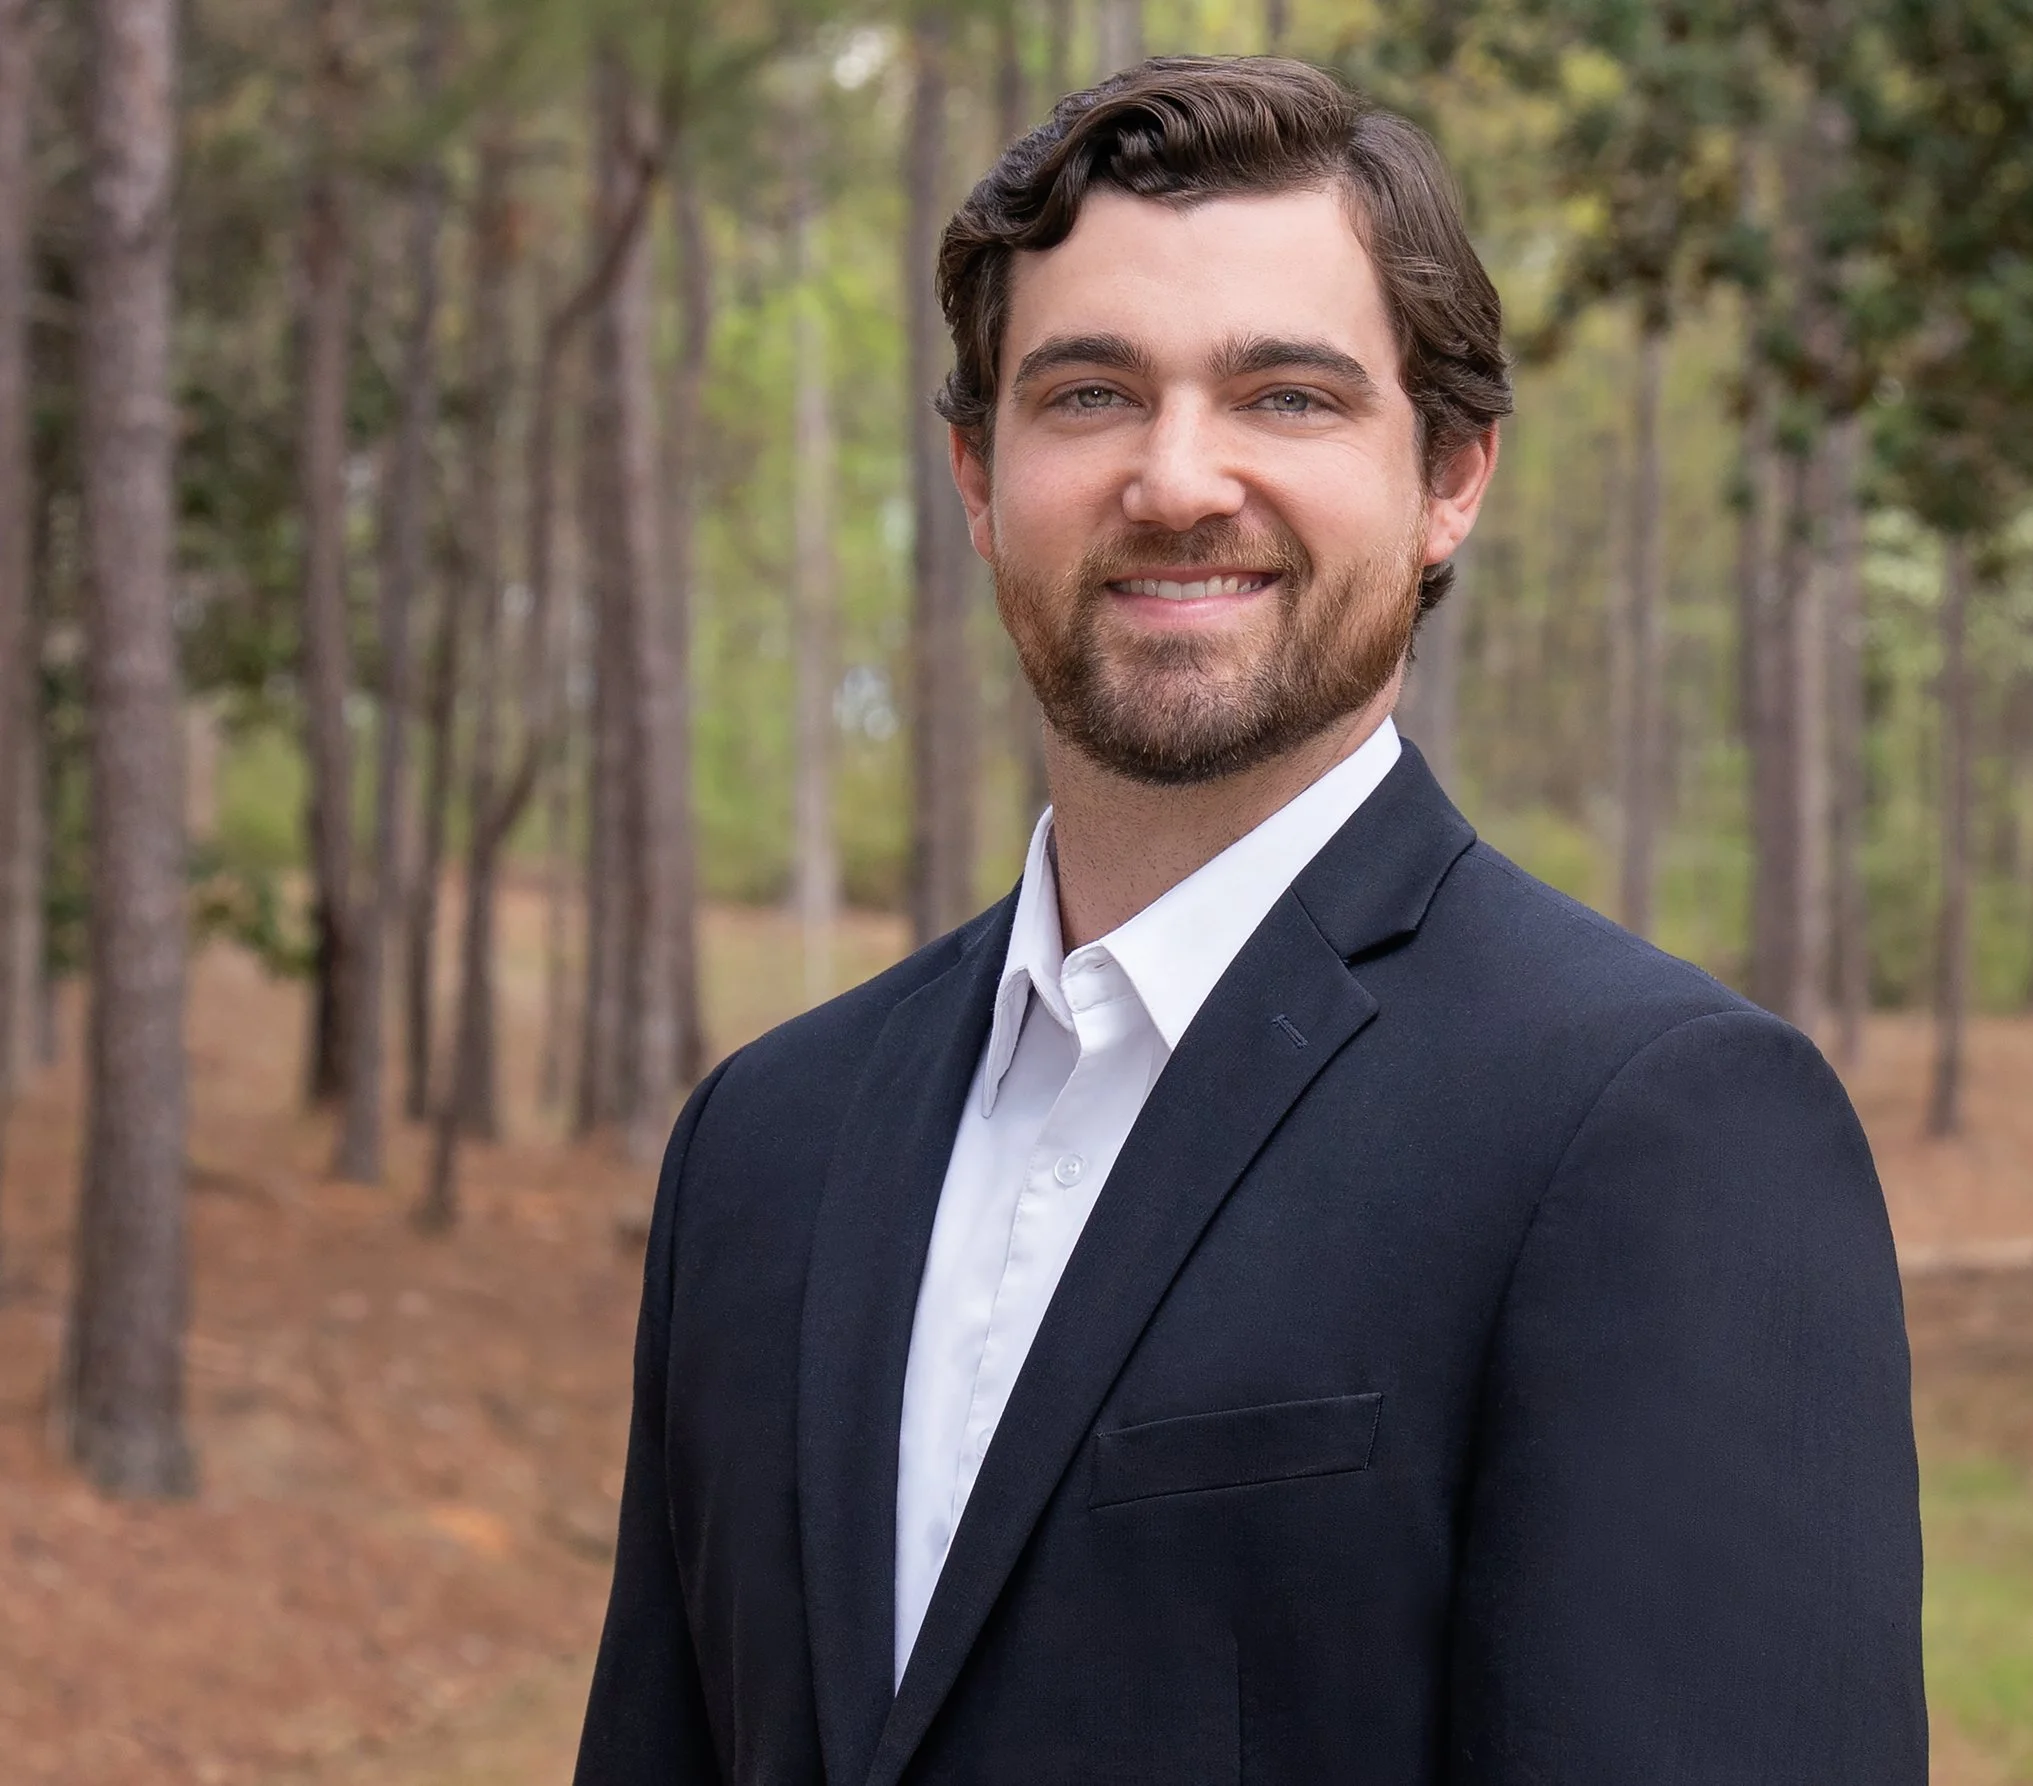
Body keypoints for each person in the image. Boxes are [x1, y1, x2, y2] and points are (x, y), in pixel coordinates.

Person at [575, 56, 1922, 1786]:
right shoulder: (762, 1145)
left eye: (1285, 396)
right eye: (1088, 395)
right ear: (982, 480)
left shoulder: (1657, 1131)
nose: (1177, 479)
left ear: (1451, 479)